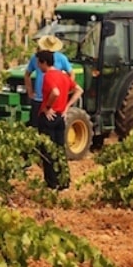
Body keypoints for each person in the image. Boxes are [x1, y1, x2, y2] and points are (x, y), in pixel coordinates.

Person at [35, 49, 83, 190]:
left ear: (44, 63)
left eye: (39, 63)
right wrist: (67, 107)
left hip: (49, 117)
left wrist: (47, 107)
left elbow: (55, 92)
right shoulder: (63, 76)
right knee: (60, 149)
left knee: (48, 151)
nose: (38, 66)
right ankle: (64, 181)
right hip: (60, 117)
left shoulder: (48, 76)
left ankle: (52, 183)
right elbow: (79, 90)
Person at [24, 35, 73, 128]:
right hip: (39, 98)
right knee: (36, 125)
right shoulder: (36, 58)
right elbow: (27, 74)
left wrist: (65, 90)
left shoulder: (61, 58)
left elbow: (71, 74)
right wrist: (30, 91)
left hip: (54, 100)